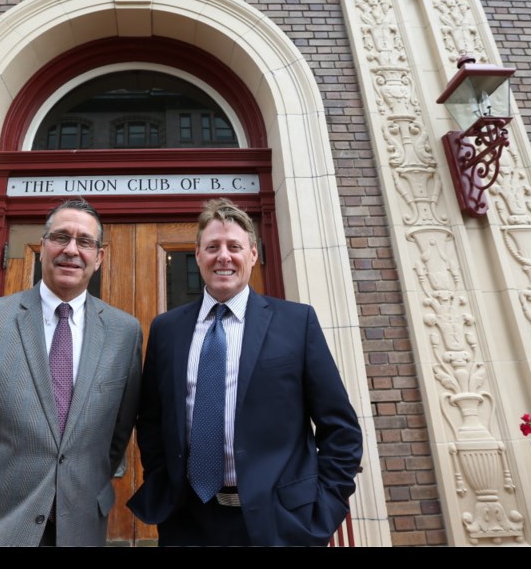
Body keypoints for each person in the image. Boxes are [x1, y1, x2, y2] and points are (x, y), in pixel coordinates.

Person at [127, 198, 363, 546]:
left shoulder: (297, 323)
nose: (223, 256)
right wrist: (162, 478)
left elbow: (340, 428)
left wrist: (323, 509)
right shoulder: (167, 329)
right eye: (212, 247)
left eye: (234, 246)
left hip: (281, 523)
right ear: (198, 255)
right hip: (187, 521)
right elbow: (151, 419)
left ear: (252, 254)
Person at [0, 199, 143, 546]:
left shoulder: (124, 333)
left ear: (99, 258)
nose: (71, 249)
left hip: (77, 528)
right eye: (60, 237)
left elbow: (115, 437)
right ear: (42, 247)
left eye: (85, 242)